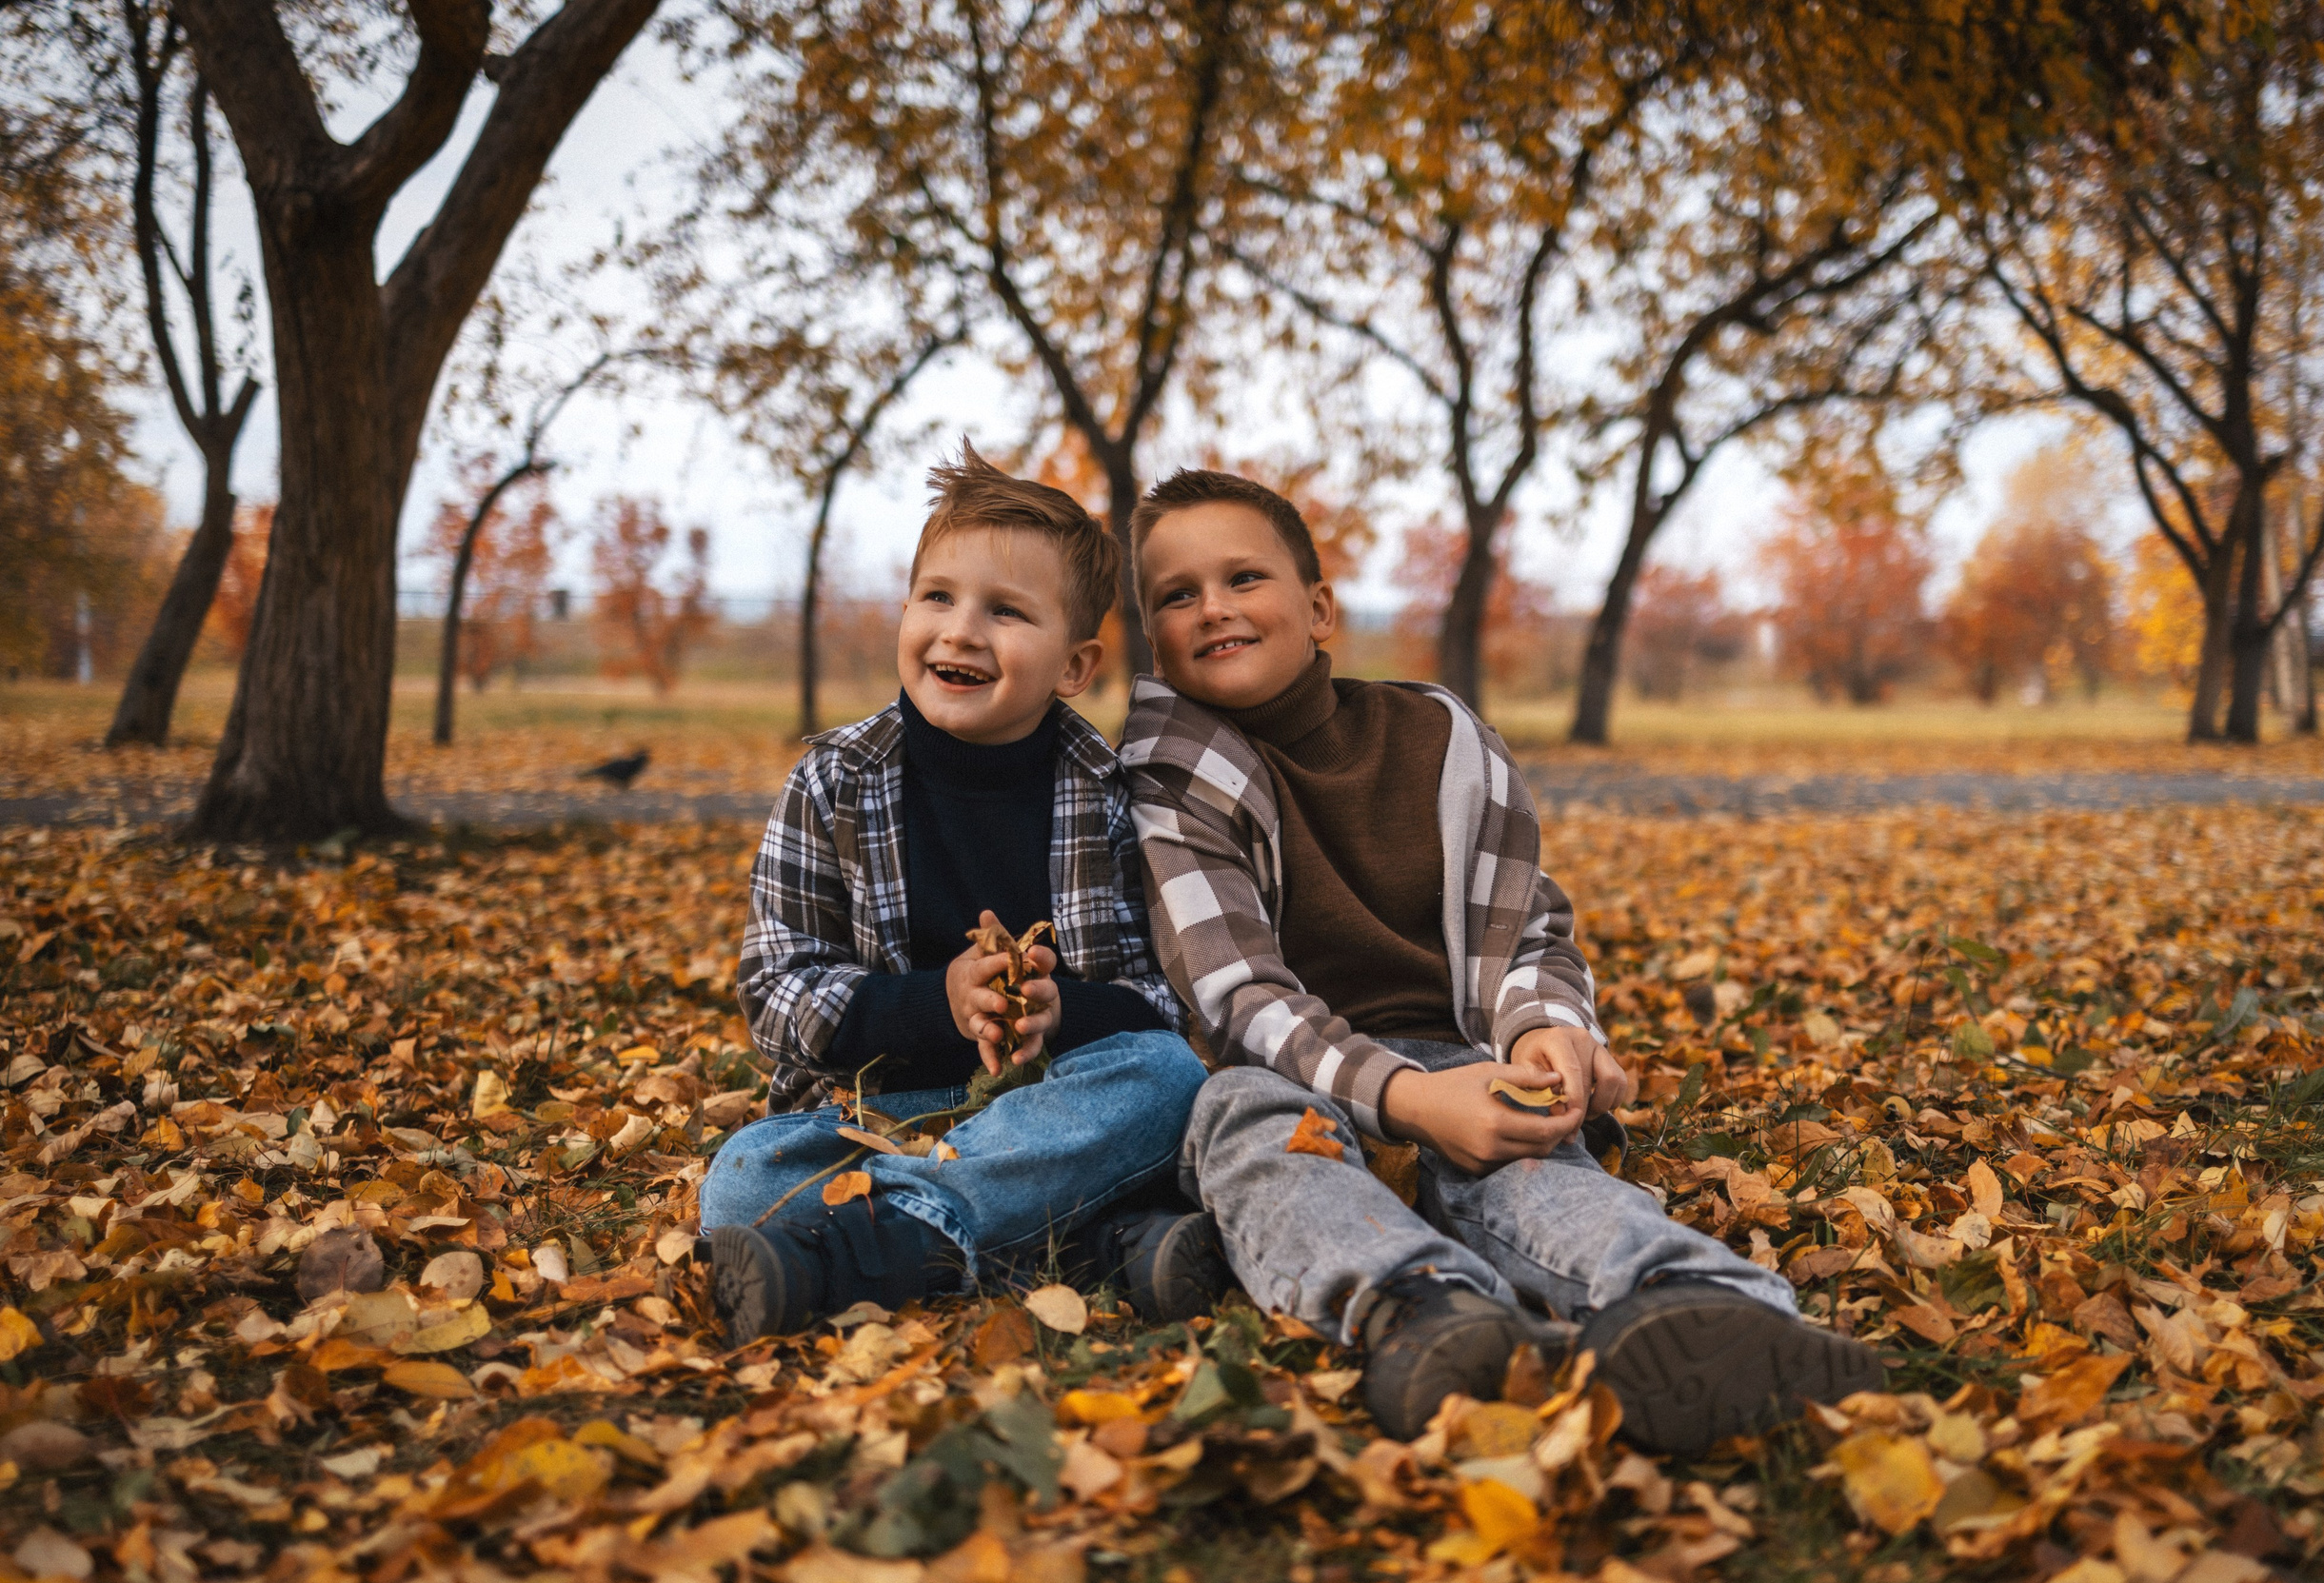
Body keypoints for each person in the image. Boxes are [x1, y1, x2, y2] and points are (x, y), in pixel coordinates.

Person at [1119, 468, 1883, 1451]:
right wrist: (1406, 1100)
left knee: (1537, 1174)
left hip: (1460, 1058)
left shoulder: (1442, 741)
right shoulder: (1168, 783)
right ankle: (1423, 1311)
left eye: (1242, 578)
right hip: (1283, 1076)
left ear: (1318, 609)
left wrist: (1545, 1027)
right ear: (1156, 641)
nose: (1213, 607)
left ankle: (1698, 1301)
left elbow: (1526, 926)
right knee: (1245, 1126)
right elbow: (1236, 996)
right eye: (1177, 596)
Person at [699, 444, 1222, 1346]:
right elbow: (775, 992)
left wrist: (1059, 1012)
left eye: (1006, 611)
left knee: (1169, 1078)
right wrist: (938, 1003)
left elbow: (1161, 999)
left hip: (1049, 1105)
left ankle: (873, 1245)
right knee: (743, 1179)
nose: (961, 630)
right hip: (880, 1119)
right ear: (905, 612)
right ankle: (1095, 1243)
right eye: (937, 597)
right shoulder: (835, 781)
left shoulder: (1108, 796)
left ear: (1074, 665)